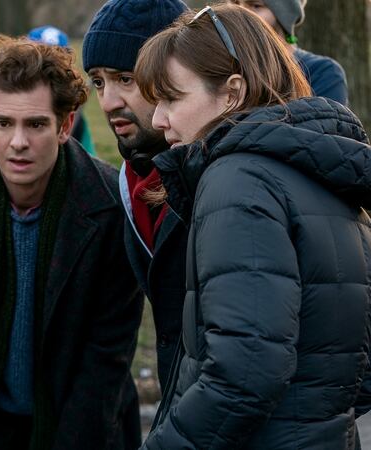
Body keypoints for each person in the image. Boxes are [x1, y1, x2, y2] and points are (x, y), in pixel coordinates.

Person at [134, 4, 371, 448]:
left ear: (232, 93)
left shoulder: (239, 180)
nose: (158, 120)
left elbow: (242, 374)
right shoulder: (323, 176)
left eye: (172, 98)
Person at [0, 35, 144, 450]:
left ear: (65, 125)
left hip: (78, 427)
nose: (18, 142)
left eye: (36, 124)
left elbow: (105, 357)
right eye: (4, 123)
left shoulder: (110, 205)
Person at [82, 0, 188, 397]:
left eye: (125, 78)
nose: (108, 102)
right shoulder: (134, 181)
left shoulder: (221, 177)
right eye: (98, 82)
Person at [229, 0, 348, 105]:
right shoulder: (228, 66)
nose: (242, 13)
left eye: (256, 6)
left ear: (284, 14)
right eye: (237, 4)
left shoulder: (322, 72)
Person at [27, 25, 95, 156]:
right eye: (39, 62)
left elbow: (90, 163)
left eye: (56, 64)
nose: (47, 72)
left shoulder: (76, 121)